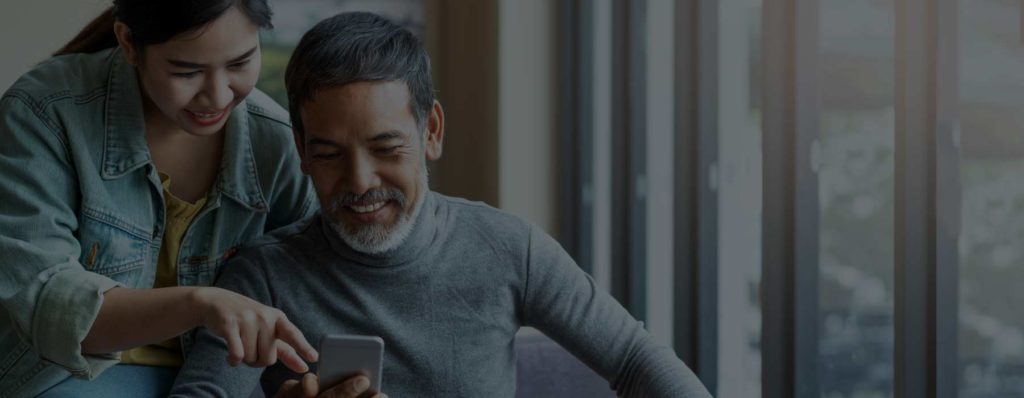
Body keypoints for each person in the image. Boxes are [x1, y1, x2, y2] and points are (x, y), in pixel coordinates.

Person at [169, 12, 713, 398]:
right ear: (301, 153)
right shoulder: (263, 278)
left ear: (431, 132)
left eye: (386, 148)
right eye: (330, 154)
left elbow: (636, 360)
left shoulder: (506, 247)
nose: (360, 183)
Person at [0, 1, 323, 396]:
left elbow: (320, 278)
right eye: (187, 71)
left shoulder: (274, 142)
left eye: (240, 63)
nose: (218, 96)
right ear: (129, 43)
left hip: (218, 374)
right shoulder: (45, 113)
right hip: (70, 374)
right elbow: (47, 305)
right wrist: (200, 304)